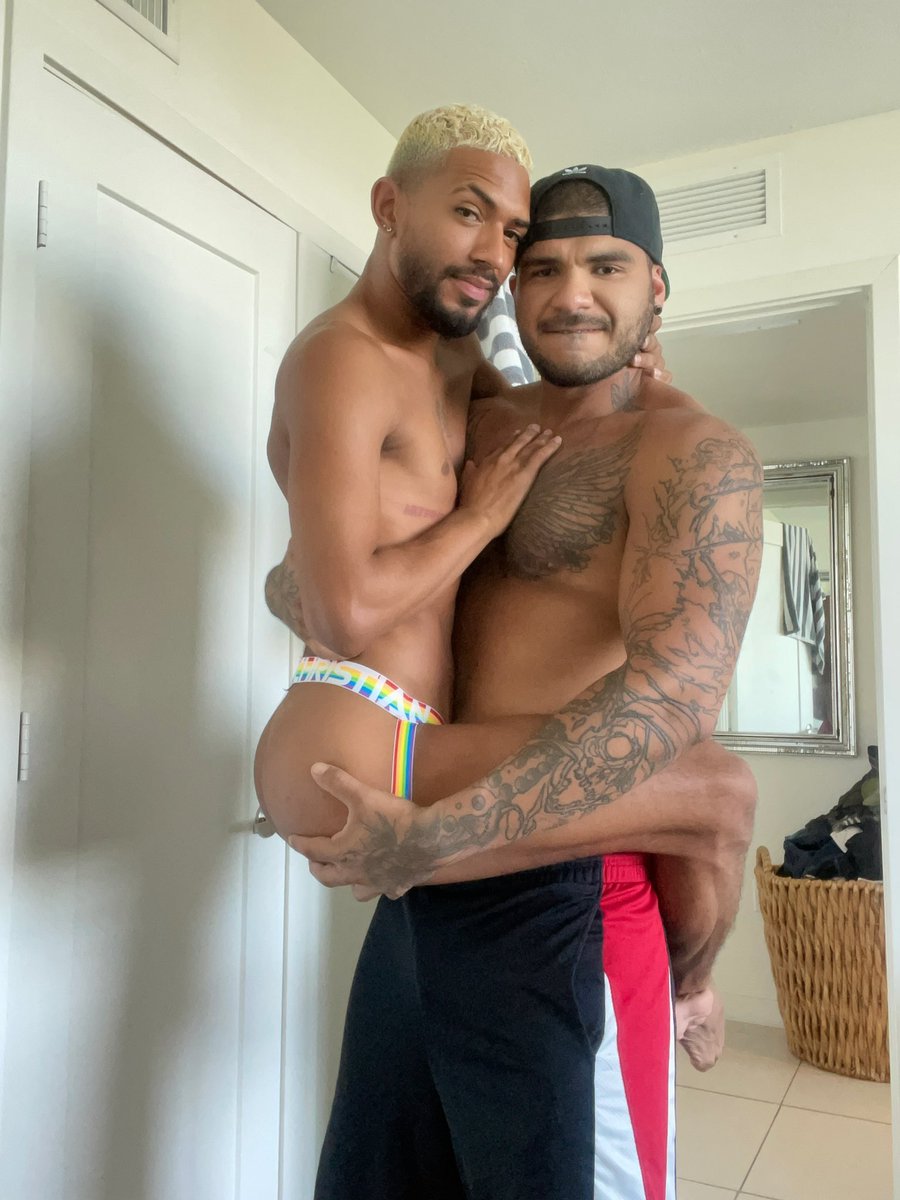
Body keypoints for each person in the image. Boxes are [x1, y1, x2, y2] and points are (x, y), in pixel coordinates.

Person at [259, 105, 758, 1198]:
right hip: (418, 899)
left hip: (559, 897)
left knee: (719, 788)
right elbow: (319, 578)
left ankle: (689, 992)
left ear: (656, 289)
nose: (571, 295)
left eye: (607, 268)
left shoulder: (691, 451)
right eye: (542, 267)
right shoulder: (485, 417)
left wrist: (436, 834)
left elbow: (672, 710)